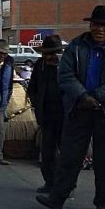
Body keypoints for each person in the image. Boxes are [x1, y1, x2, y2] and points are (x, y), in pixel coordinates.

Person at [36, 5, 105, 209]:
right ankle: (58, 197)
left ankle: (103, 201)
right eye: (96, 24)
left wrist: (97, 96)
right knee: (70, 156)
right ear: (90, 25)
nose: (100, 29)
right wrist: (83, 96)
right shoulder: (75, 47)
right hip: (79, 108)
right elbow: (65, 76)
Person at [27, 35, 66, 193]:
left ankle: (66, 185)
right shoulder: (40, 65)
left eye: (52, 54)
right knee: (47, 151)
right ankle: (49, 182)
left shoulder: (66, 66)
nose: (48, 57)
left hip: (65, 115)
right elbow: (32, 88)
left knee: (65, 152)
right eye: (45, 54)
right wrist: (37, 104)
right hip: (46, 116)